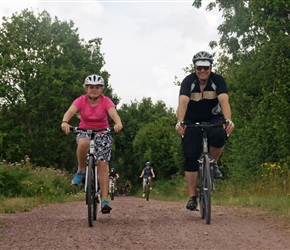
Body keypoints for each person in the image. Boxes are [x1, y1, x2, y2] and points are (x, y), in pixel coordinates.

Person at [175, 51, 234, 211]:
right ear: (195, 68)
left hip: (213, 117)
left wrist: (228, 119)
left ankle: (213, 163)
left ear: (210, 67)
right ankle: (192, 197)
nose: (203, 71)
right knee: (190, 156)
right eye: (199, 67)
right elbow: (182, 103)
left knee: (221, 134)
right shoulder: (188, 81)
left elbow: (224, 101)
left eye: (206, 68)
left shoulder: (217, 80)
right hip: (191, 120)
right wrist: (180, 121)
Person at [61, 74, 123, 213]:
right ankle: (81, 170)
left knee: (102, 165)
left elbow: (113, 114)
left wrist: (118, 123)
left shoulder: (105, 101)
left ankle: (105, 200)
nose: (94, 90)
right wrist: (65, 122)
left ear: (102, 89)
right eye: (91, 87)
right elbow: (70, 111)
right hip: (85, 131)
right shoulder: (81, 100)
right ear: (86, 88)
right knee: (83, 143)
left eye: (97, 87)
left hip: (103, 133)